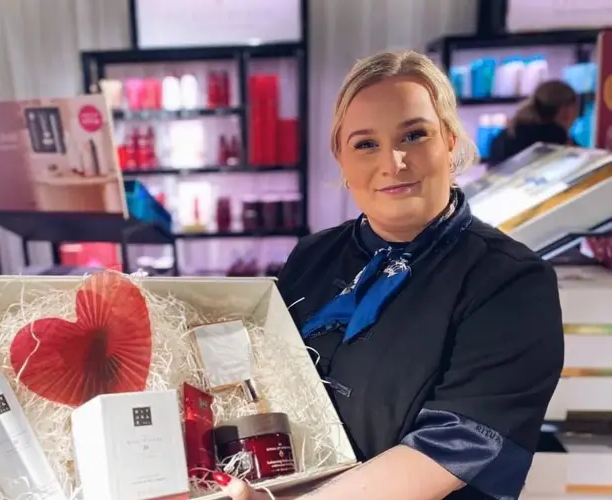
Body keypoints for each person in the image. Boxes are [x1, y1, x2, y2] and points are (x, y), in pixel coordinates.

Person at [216, 51, 564, 500]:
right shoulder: (312, 255)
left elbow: (454, 444)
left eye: (414, 135)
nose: (393, 162)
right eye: (365, 144)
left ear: (450, 141)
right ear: (341, 159)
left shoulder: (511, 281)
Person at [488, 80, 579, 166]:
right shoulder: (554, 137)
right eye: (576, 107)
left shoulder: (507, 134)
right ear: (565, 110)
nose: (577, 115)